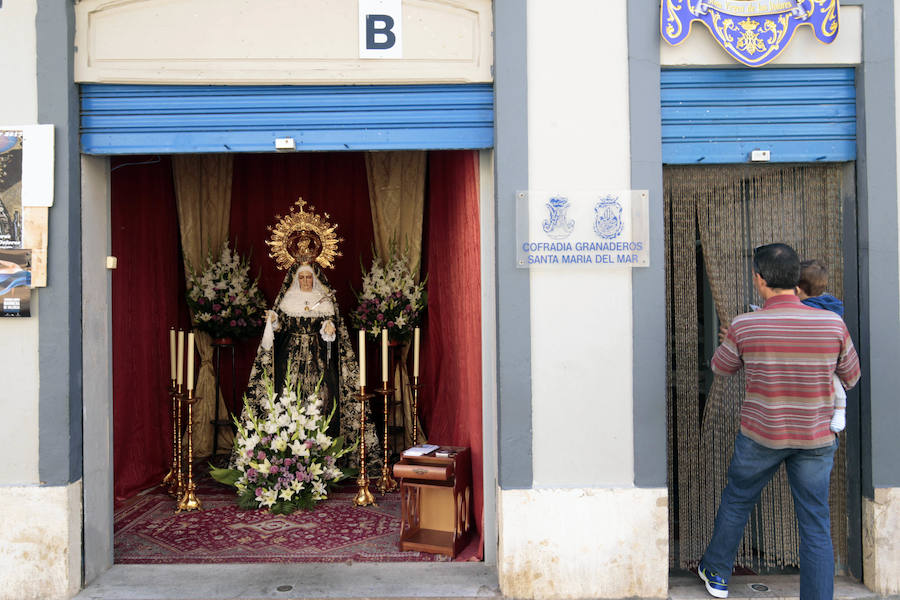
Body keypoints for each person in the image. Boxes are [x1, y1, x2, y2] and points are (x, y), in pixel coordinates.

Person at [697, 243, 860, 600]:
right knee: (815, 522)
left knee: (738, 501)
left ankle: (717, 574)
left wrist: (733, 342)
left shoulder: (746, 324)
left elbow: (720, 368)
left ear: (759, 279)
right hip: (816, 438)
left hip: (760, 435)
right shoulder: (832, 324)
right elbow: (851, 375)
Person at [240, 262, 377, 464]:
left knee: (321, 399)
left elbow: (331, 328)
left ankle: (321, 452)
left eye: (309, 277)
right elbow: (280, 329)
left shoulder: (324, 300)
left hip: (318, 358)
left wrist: (328, 329)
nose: (305, 281)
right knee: (289, 397)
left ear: (315, 278)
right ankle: (287, 452)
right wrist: (274, 320)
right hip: (290, 358)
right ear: (296, 279)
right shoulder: (288, 299)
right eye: (302, 277)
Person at [796, 259, 847, 434]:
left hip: (816, 357)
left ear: (797, 289)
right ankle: (839, 411)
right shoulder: (830, 303)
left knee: (833, 380)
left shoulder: (805, 307)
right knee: (833, 379)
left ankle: (840, 411)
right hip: (826, 355)